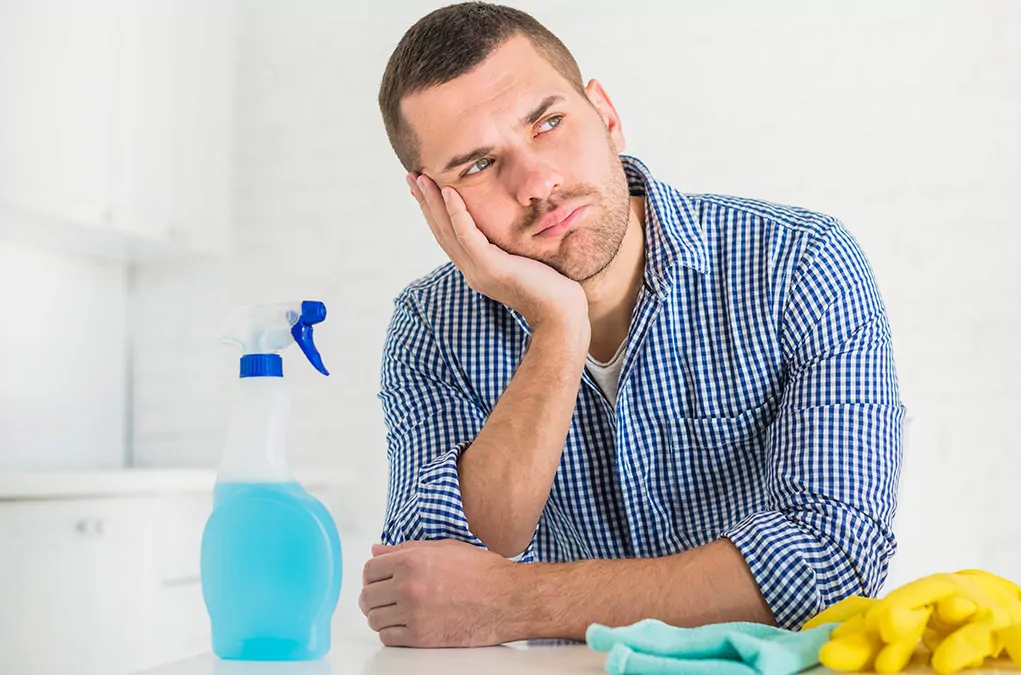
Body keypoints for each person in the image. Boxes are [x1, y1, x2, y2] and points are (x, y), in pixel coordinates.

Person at [360, 1, 905, 648]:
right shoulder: (431, 327)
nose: (536, 182)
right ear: (429, 198)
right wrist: (559, 328)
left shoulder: (799, 265)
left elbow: (829, 561)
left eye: (549, 123)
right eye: (478, 165)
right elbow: (428, 589)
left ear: (607, 115)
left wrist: (511, 602)